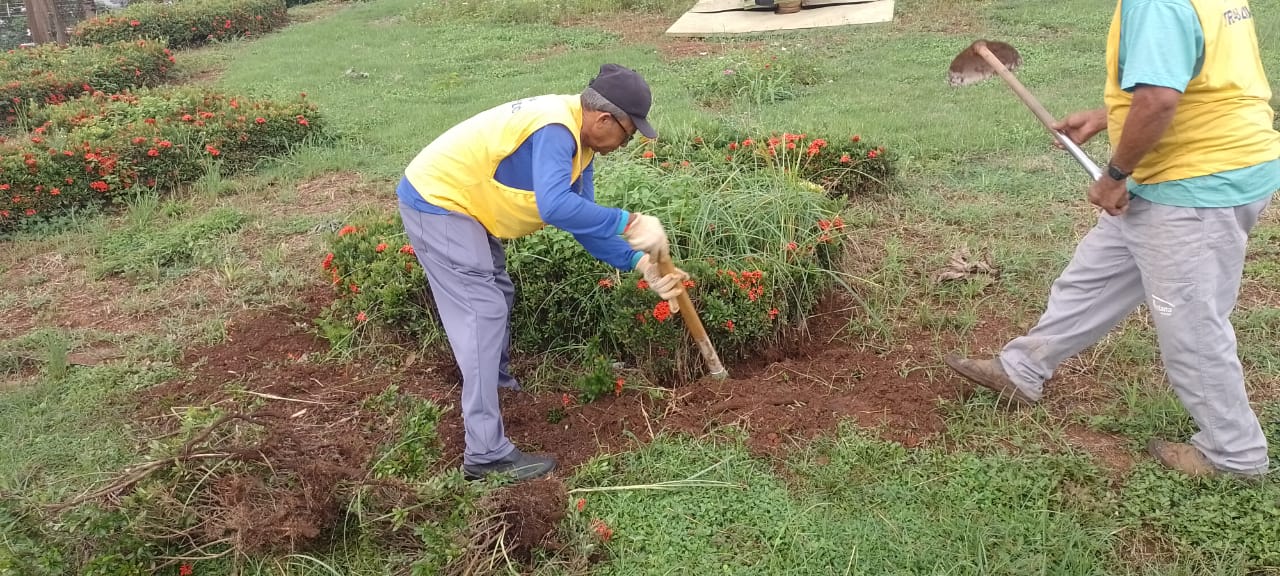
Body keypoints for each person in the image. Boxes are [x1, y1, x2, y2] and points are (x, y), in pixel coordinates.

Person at [945, 0, 1278, 480]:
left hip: (1195, 184)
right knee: (1092, 277)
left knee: (1191, 324)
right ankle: (1022, 368)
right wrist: (1112, 116)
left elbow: (1160, 98)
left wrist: (1116, 173)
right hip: (1200, 164)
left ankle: (1235, 454)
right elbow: (1196, 73)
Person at [395, 64, 689, 482]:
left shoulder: (580, 144)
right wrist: (630, 221)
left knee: (498, 295)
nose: (626, 143)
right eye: (628, 133)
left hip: (469, 207)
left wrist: (640, 263)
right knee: (483, 311)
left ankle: (494, 388)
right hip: (439, 202)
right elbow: (554, 206)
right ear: (604, 119)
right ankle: (485, 454)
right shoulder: (555, 129)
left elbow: (578, 220)